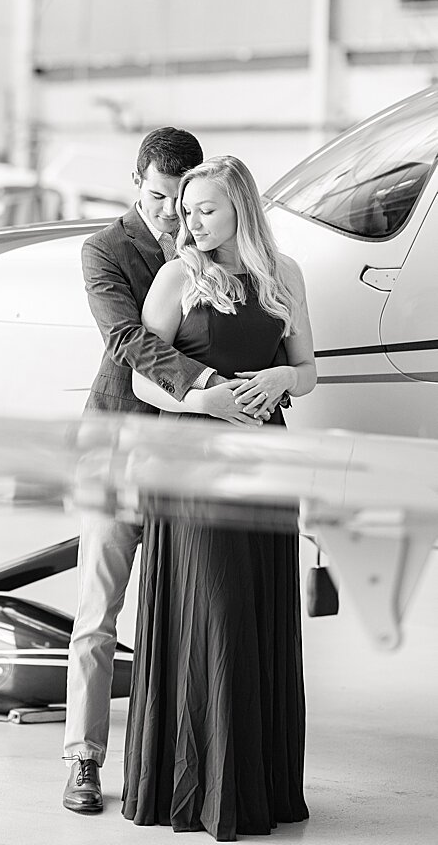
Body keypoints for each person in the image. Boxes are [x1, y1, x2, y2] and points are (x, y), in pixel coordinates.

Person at [63, 128, 267, 816]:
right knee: (99, 608)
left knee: (187, 612)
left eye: (182, 202)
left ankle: (180, 763)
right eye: (157, 198)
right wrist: (204, 385)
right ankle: (83, 761)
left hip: (194, 455)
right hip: (121, 441)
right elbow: (127, 341)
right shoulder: (104, 250)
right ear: (135, 181)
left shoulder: (211, 244)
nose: (170, 216)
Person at [123, 154, 316, 840]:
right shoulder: (178, 277)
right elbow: (143, 380)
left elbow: (308, 369)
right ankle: (202, 790)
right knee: (220, 610)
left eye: (204, 208)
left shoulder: (282, 274)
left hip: (267, 461)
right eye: (185, 209)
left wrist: (279, 383)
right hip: (197, 463)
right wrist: (199, 400)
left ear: (240, 206)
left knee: (260, 612)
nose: (189, 219)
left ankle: (254, 789)